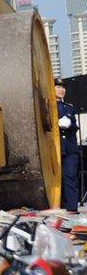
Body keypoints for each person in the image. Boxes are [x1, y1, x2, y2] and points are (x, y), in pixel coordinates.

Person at [56, 78, 81, 212]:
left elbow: (75, 126)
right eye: (58, 87)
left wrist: (69, 124)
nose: (61, 90)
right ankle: (57, 206)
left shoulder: (70, 107)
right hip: (55, 146)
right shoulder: (49, 106)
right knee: (55, 180)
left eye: (63, 87)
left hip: (70, 148)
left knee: (70, 176)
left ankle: (72, 208)